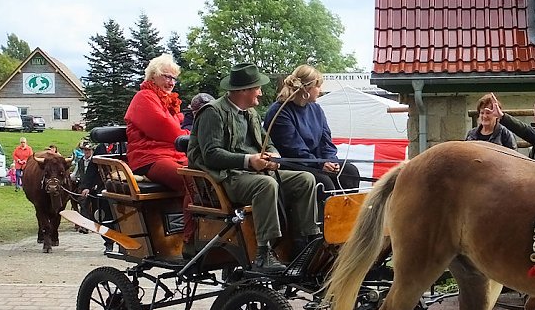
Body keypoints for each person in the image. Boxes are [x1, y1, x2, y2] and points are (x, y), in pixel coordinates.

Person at [188, 62, 320, 276]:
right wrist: (249, 161)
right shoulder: (213, 113)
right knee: (266, 184)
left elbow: (266, 142)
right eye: (257, 88)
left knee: (305, 179)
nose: (260, 92)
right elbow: (211, 154)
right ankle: (263, 253)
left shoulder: (251, 113)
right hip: (227, 178)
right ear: (243, 91)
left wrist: (274, 155)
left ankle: (305, 243)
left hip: (253, 172)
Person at [263, 65, 360, 202]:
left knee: (349, 172)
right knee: (323, 182)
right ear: (306, 89)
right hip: (293, 164)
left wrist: (330, 160)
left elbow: (326, 141)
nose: (321, 90)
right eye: (318, 86)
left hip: (316, 162)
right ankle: (323, 221)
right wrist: (320, 164)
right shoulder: (280, 112)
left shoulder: (316, 109)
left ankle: (347, 217)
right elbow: (294, 148)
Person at [124, 54, 189, 192]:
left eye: (173, 79)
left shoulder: (165, 101)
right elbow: (167, 129)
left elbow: (176, 121)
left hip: (173, 155)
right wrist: (191, 135)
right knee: (192, 181)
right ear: (153, 76)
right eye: (167, 76)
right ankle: (191, 214)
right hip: (149, 157)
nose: (171, 83)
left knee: (208, 175)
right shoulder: (144, 97)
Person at [74, 140, 114, 252]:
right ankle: (108, 243)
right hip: (103, 190)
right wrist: (86, 186)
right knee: (103, 217)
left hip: (122, 188)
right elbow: (91, 171)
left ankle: (125, 244)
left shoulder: (122, 149)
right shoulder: (100, 150)